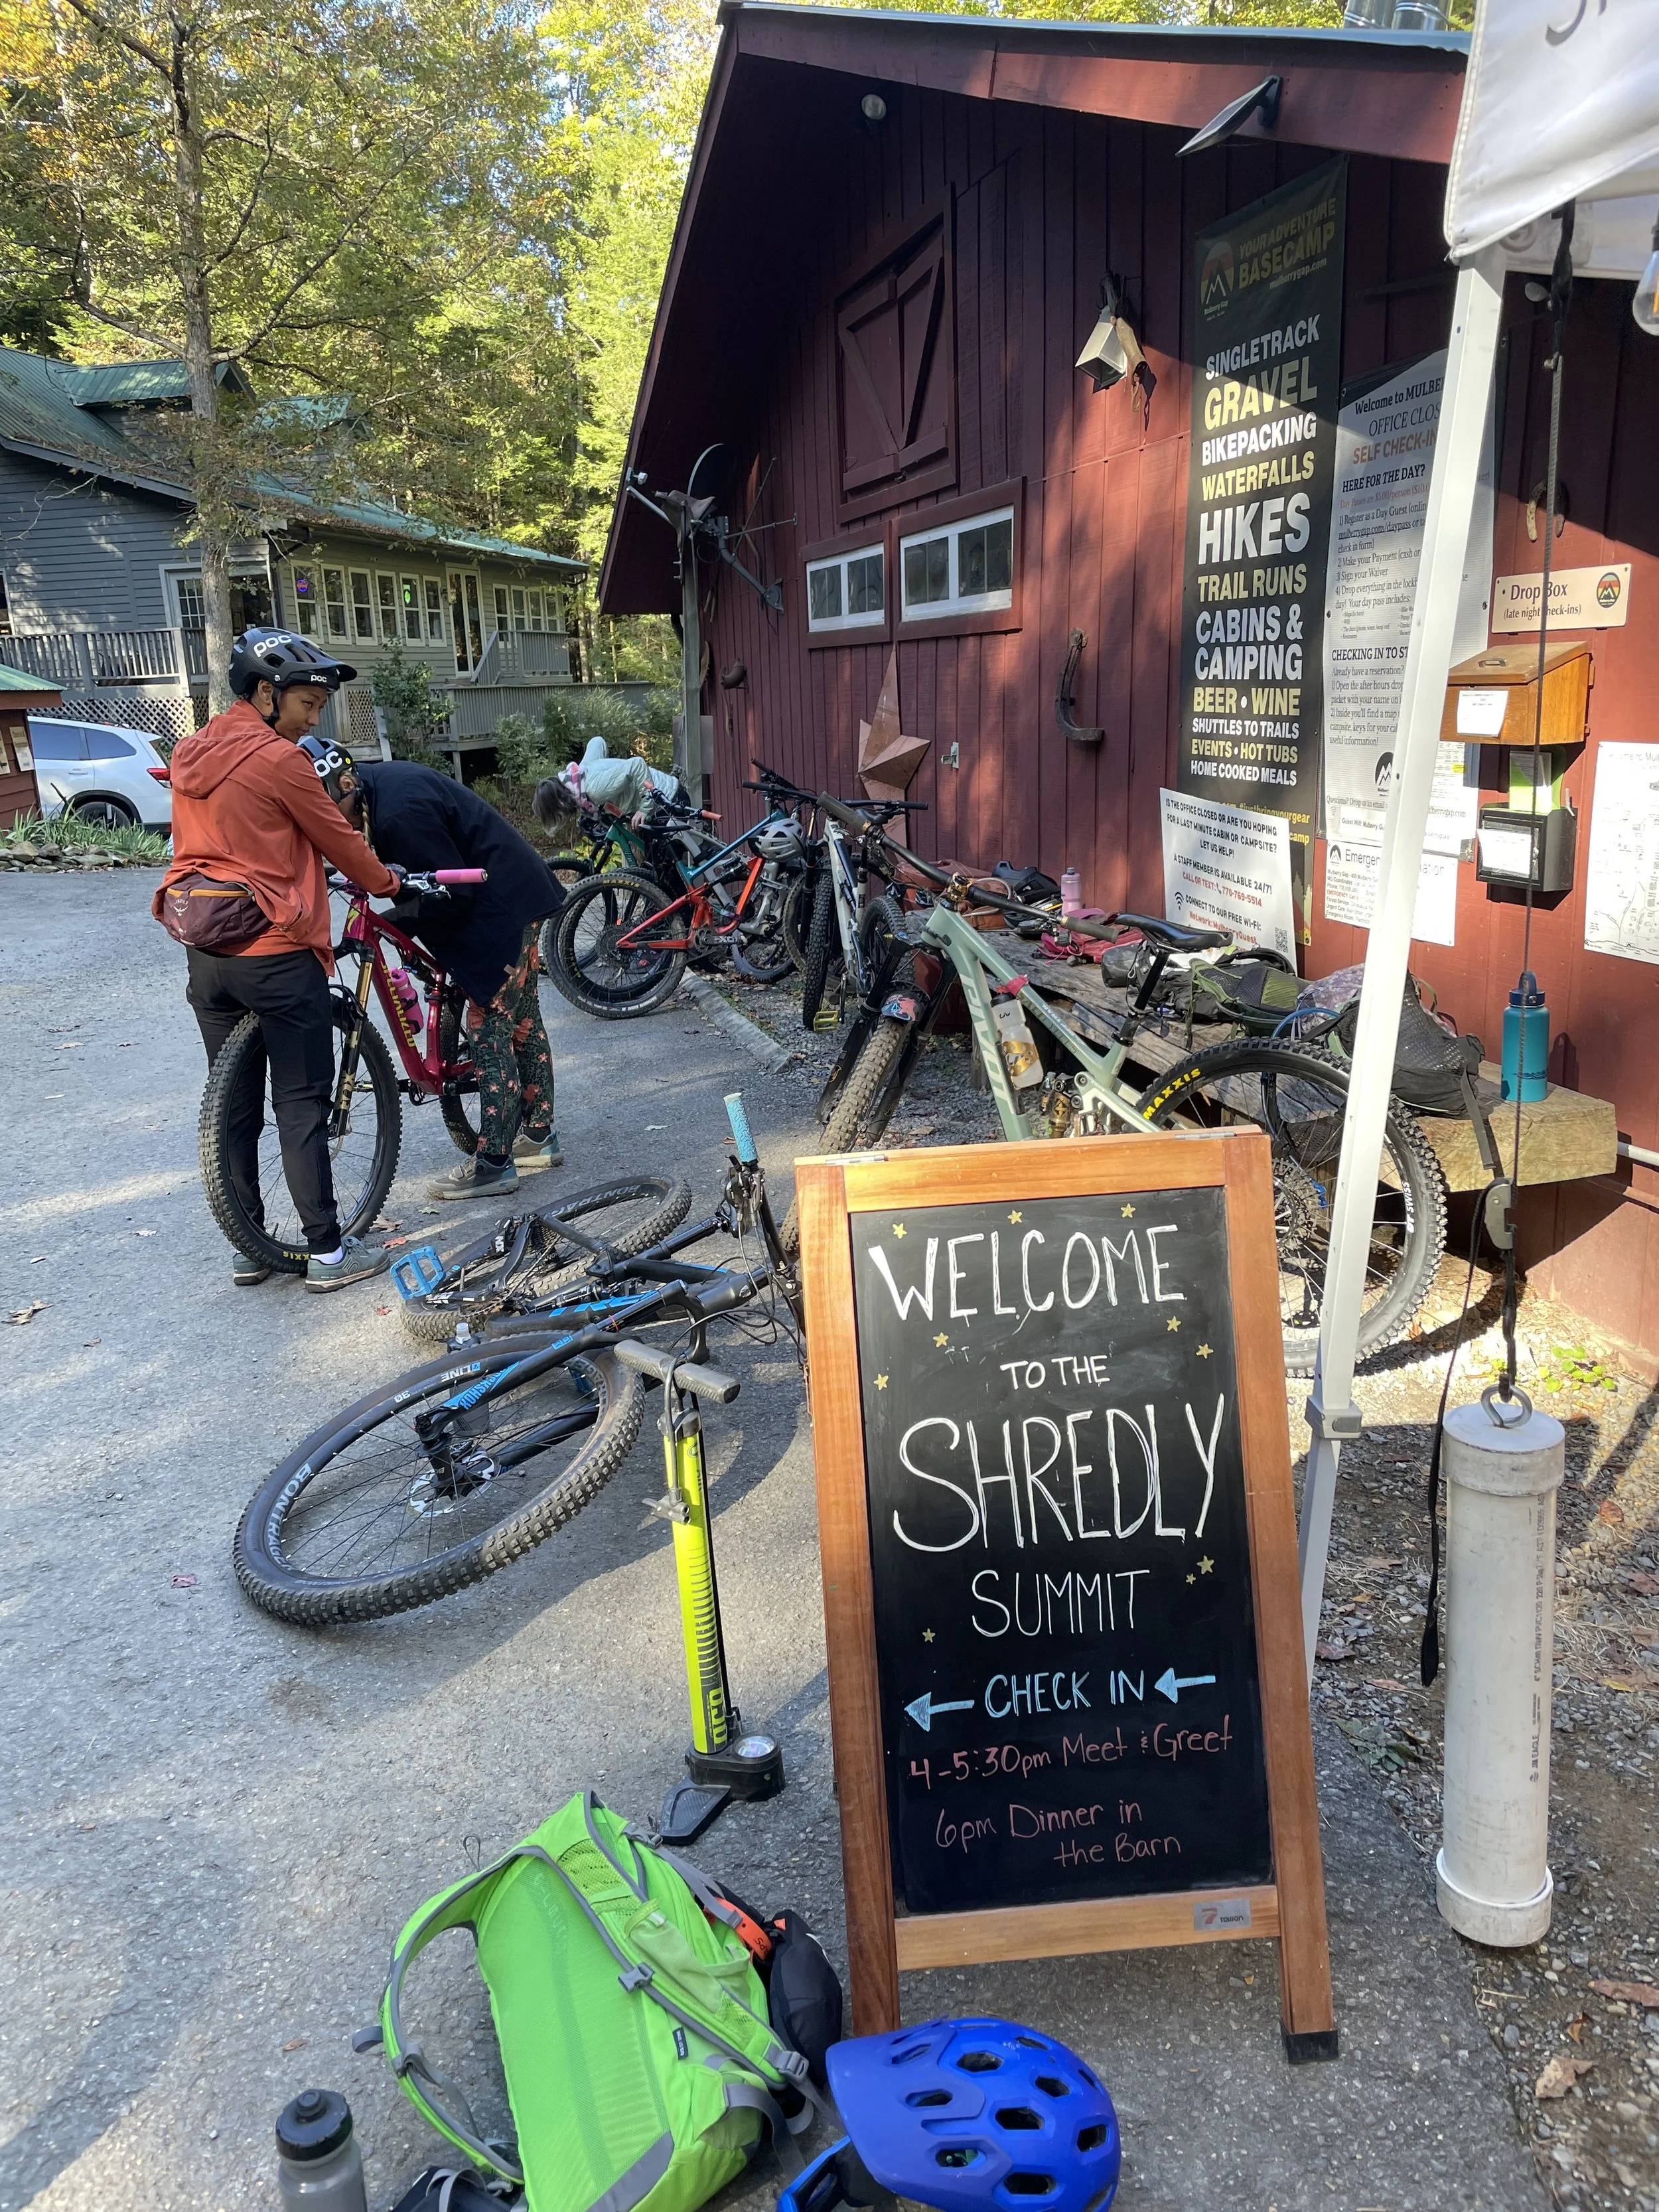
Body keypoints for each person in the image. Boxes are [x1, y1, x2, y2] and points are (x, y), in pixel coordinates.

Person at [155, 630, 401, 1291]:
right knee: (300, 1102)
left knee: (235, 1101)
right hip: (274, 950)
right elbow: (341, 842)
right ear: (266, 693)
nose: (315, 716)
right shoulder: (280, 761)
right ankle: (326, 1255)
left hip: (206, 951)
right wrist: (389, 883)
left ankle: (251, 1247)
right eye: (307, 702)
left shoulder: (189, 752)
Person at [333, 751, 563, 1201]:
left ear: (346, 784)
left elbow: (450, 893)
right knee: (525, 1021)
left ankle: (494, 1164)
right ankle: (538, 1137)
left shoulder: (397, 812)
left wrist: (398, 918)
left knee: (489, 1025)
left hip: (503, 902)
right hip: (515, 891)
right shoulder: (381, 790)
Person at [534, 734, 687, 836]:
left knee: (667, 872)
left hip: (669, 803)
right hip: (663, 804)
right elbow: (597, 742)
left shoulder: (594, 790)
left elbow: (637, 764)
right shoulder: (578, 778)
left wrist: (644, 809)